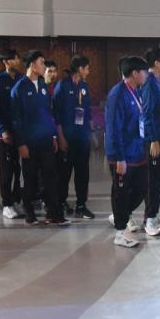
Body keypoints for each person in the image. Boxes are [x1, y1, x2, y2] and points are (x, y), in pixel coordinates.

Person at [12, 50, 67, 226]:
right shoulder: (19, 88)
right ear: (32, 66)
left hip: (46, 141)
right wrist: (21, 144)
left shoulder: (43, 86)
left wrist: (53, 136)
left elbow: (48, 114)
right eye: (41, 63)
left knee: (50, 178)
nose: (44, 66)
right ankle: (30, 214)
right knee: (30, 179)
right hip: (28, 143)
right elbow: (16, 119)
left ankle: (53, 214)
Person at [107, 55, 151, 248]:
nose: (147, 75)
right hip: (123, 154)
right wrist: (120, 158)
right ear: (135, 73)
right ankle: (120, 232)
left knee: (141, 188)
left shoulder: (136, 92)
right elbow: (114, 128)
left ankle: (119, 215)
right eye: (144, 72)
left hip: (137, 151)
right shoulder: (118, 94)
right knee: (121, 192)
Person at [53, 55, 94, 220]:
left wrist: (91, 133)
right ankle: (61, 202)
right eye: (87, 68)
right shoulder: (62, 86)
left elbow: (87, 110)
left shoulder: (84, 86)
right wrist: (61, 137)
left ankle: (81, 205)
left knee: (83, 173)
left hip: (82, 137)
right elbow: (56, 114)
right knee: (64, 173)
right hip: (67, 138)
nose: (88, 71)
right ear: (80, 69)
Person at [140, 47, 160, 235]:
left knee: (158, 178)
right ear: (156, 63)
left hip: (158, 134)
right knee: (153, 179)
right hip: (152, 139)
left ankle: (153, 215)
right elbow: (147, 113)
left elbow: (159, 112)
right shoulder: (149, 83)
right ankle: (150, 220)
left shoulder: (157, 82)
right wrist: (153, 139)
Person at [0, 48, 25, 220]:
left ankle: (16, 199)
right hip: (4, 133)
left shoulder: (21, 79)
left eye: (18, 58)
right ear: (5, 61)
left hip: (20, 131)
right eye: (14, 59)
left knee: (18, 169)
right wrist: (2, 130)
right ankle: (7, 204)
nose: (17, 61)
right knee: (7, 169)